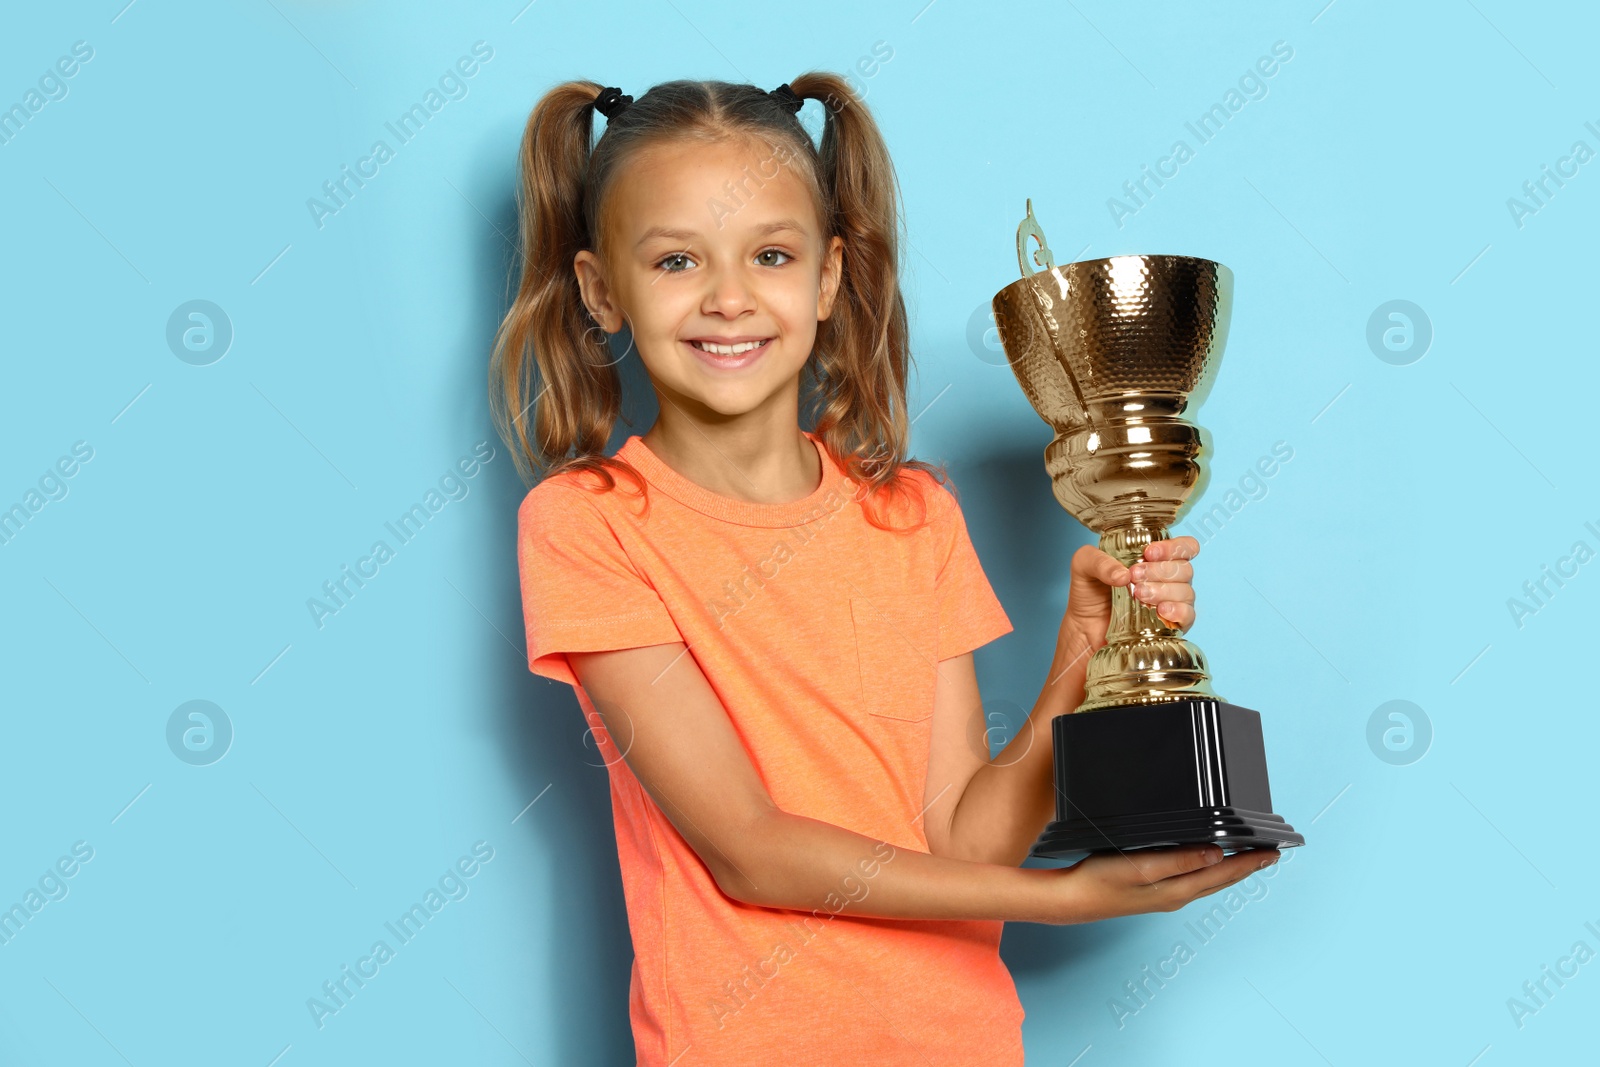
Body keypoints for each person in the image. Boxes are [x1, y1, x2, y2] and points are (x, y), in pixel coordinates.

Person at [490, 72, 1276, 1066]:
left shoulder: (914, 513)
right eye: (677, 259)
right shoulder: (586, 524)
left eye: (770, 255)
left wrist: (1080, 653)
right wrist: (1062, 897)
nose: (728, 297)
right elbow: (751, 849)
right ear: (603, 291)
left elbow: (961, 839)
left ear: (826, 278)